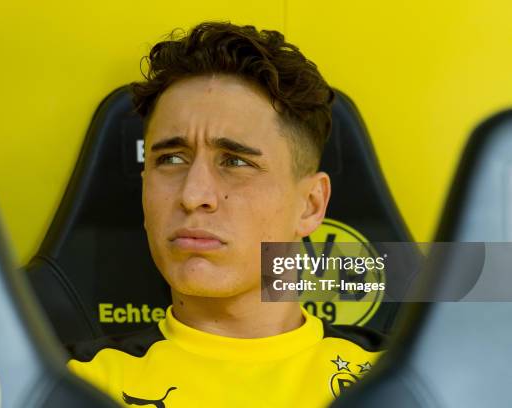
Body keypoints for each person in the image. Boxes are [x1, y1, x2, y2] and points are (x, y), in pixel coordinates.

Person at [68, 21, 385, 407]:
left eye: (235, 161)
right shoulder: (72, 385)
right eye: (170, 159)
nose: (193, 194)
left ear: (311, 205)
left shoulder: (397, 383)